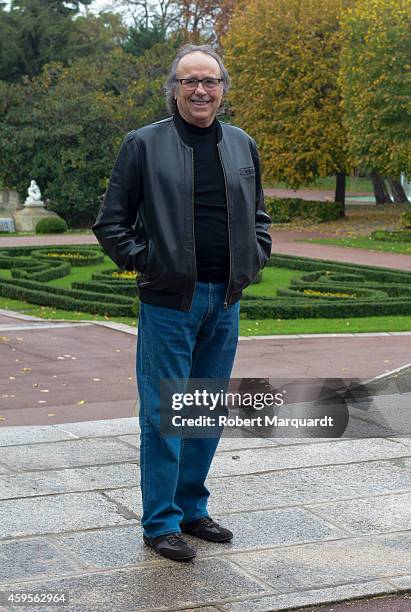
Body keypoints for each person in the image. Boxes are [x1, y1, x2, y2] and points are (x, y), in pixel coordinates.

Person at [92, 44, 272, 562]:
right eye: (190, 81)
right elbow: (111, 222)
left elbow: (259, 215)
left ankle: (192, 509)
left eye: (210, 81)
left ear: (222, 90)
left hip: (226, 300)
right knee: (166, 414)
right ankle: (160, 523)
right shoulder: (143, 144)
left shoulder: (241, 144)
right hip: (170, 303)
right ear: (173, 89)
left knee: (205, 415)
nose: (200, 90)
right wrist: (151, 264)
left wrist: (256, 256)